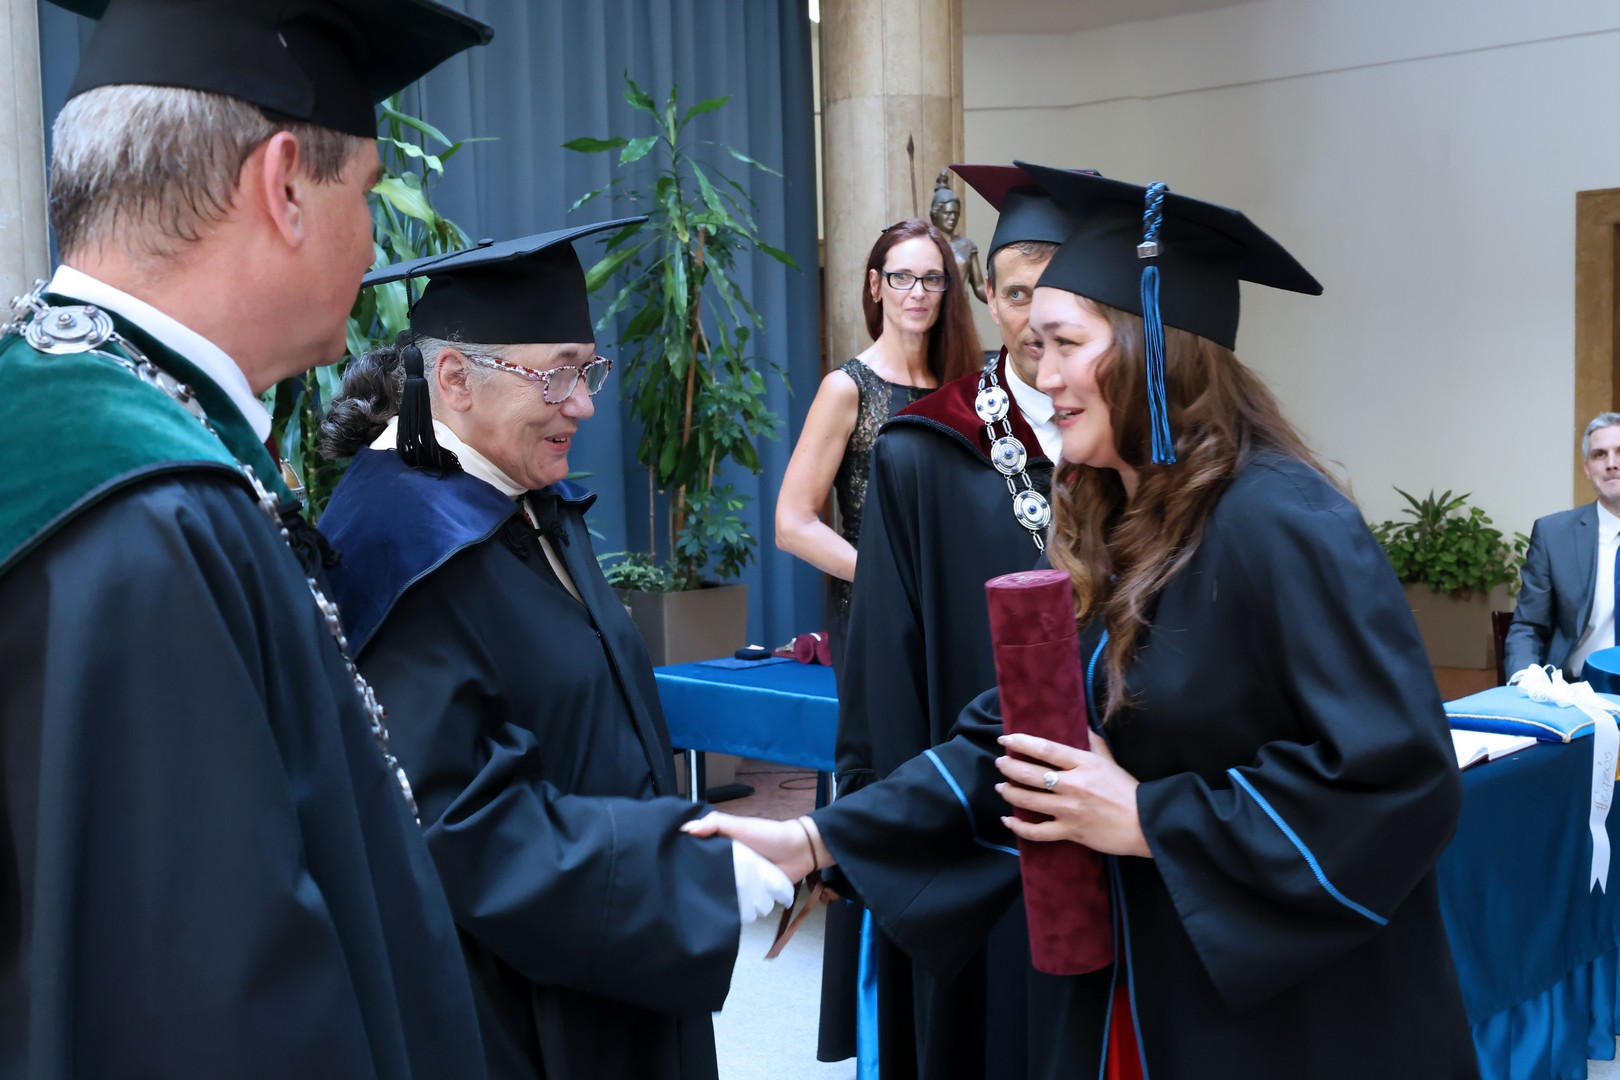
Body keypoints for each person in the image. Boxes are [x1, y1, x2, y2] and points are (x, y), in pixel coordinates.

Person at [692, 165, 1478, 1078]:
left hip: (1289, 1027)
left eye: (1066, 343)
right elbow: (1019, 738)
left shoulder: (1284, 523)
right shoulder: (1118, 521)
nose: (1044, 372)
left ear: (1153, 351)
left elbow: (1400, 780)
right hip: (1139, 985)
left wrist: (1149, 817)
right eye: (1036, 343)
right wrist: (813, 842)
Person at [0, 1, 493, 1076]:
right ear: (284, 186)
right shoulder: (141, 519)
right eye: (366, 193)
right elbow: (206, 1011)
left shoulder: (82, 426)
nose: (375, 244)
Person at [315, 223, 793, 1080]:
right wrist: (678, 876)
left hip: (616, 949)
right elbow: (455, 824)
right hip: (515, 1005)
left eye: (588, 370)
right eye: (557, 373)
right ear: (452, 378)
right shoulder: (400, 546)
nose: (583, 404)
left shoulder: (521, 495)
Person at [827, 163, 1087, 1078]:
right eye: (1016, 294)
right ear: (987, 296)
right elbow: (888, 671)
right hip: (978, 823)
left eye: (1058, 295)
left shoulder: (1142, 445)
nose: (1036, 319)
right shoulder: (926, 451)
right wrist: (897, 841)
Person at [775, 218, 980, 680]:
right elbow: (791, 524)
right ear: (876, 285)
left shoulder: (965, 387)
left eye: (932, 279)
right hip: (873, 612)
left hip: (952, 613)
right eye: (901, 277)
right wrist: (888, 578)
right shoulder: (847, 388)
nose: (918, 292)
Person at [1503, 412, 1620, 679]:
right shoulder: (1554, 535)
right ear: (1587, 468)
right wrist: (1526, 681)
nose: (1611, 464)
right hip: (1577, 691)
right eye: (1599, 455)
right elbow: (1529, 626)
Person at [930, 169, 988, 304]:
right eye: (947, 213)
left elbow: (979, 286)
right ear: (936, 214)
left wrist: (1002, 301)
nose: (952, 218)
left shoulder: (967, 246)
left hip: (960, 308)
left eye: (956, 213)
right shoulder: (926, 244)